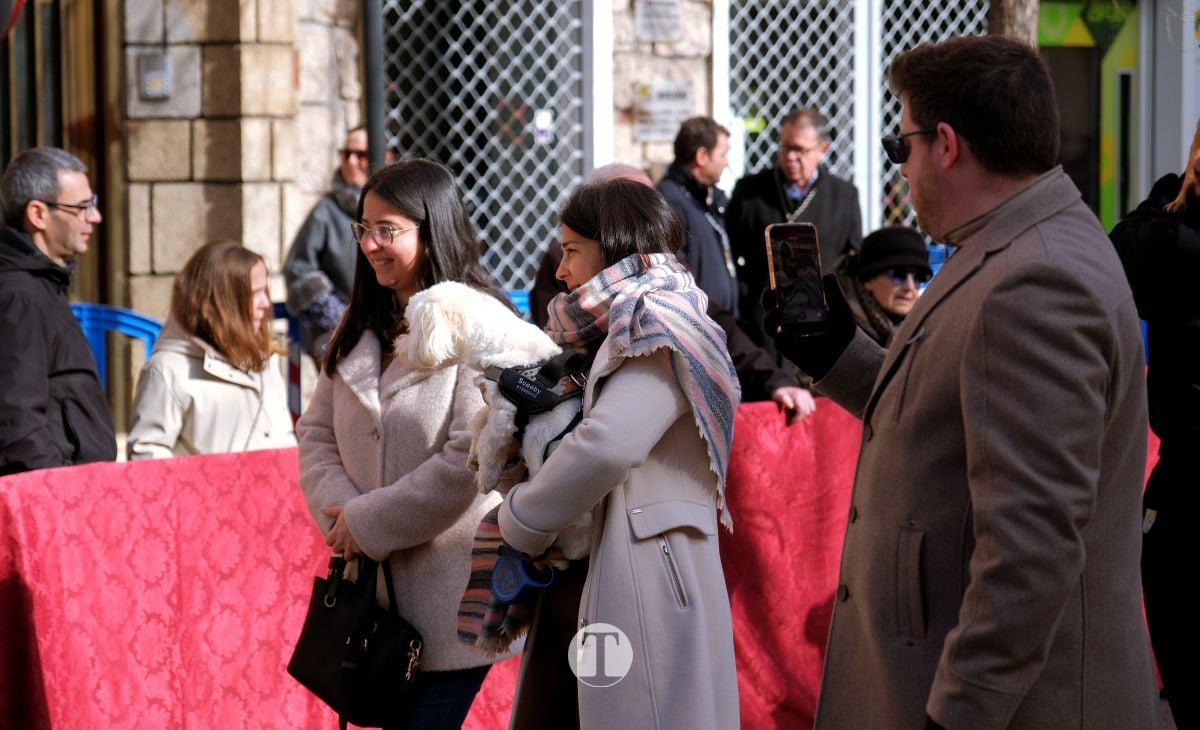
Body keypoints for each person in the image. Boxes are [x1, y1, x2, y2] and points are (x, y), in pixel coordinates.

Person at [766, 36, 1157, 729]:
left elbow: (1031, 548)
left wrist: (958, 714)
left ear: (945, 144)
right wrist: (833, 351)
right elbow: (944, 412)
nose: (903, 167)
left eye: (901, 146)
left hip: (1012, 706)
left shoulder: (1035, 279)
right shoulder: (1012, 243)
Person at [498, 178, 740, 729]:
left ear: (612, 245)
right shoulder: (628, 318)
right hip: (601, 574)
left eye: (571, 250)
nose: (560, 269)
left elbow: (608, 444)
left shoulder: (657, 321)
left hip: (644, 577)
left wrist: (519, 522)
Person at [296, 159, 516, 729]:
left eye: (387, 229)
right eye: (362, 228)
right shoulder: (360, 322)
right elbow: (316, 433)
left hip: (452, 601)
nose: (370, 244)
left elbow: (471, 459)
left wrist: (367, 521)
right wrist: (343, 515)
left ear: (432, 228)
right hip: (370, 597)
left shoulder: (481, 326)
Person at [533, 162, 814, 422]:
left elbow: (713, 323)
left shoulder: (660, 273)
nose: (644, 222)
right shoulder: (568, 265)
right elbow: (554, 343)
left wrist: (774, 381)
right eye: (632, 209)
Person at [1109, 115, 1200, 730]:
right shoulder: (1173, 209)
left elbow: (1164, 254)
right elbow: (1117, 257)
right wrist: (1179, 200)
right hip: (1182, 479)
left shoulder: (1175, 227)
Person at [0, 147, 115, 474]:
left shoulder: (42, 286)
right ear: (38, 214)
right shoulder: (19, 296)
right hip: (57, 503)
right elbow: (16, 421)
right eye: (81, 207)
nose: (94, 217)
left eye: (92, 205)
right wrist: (58, 498)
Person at [126, 240, 296, 458]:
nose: (266, 303)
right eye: (256, 293)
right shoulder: (167, 371)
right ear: (217, 304)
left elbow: (284, 437)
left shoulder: (264, 358)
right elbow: (146, 458)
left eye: (266, 290)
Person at [727, 108, 862, 356]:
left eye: (799, 150)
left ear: (822, 150)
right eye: (785, 147)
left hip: (822, 326)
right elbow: (731, 253)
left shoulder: (843, 196)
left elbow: (852, 259)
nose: (789, 157)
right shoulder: (750, 192)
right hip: (762, 326)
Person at [283, 126, 370, 360]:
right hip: (339, 333)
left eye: (361, 155)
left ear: (385, 157)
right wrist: (338, 318)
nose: (351, 161)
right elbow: (298, 270)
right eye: (345, 154)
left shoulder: (398, 207)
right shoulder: (327, 210)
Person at [657, 116, 738, 315]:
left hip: (723, 325)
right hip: (700, 327)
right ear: (702, 156)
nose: (726, 163)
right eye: (722, 154)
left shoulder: (706, 199)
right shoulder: (669, 200)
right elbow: (675, 272)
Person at [836, 226, 932, 347]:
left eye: (919, 276)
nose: (910, 287)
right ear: (868, 280)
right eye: (897, 274)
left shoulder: (926, 329)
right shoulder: (837, 330)